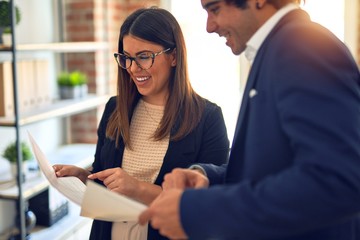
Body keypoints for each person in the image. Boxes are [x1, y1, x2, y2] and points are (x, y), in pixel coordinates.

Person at [139, 0, 360, 239]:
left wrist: (200, 210)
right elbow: (274, 166)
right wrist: (207, 177)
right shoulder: (276, 49)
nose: (209, 27)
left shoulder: (304, 46)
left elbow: (339, 180)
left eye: (215, 10)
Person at [53, 7, 229, 240]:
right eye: (127, 58)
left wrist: (137, 188)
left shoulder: (207, 117)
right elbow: (103, 173)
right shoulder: (115, 108)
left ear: (174, 56)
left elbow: (210, 203)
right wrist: (85, 178)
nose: (133, 69)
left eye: (144, 57)